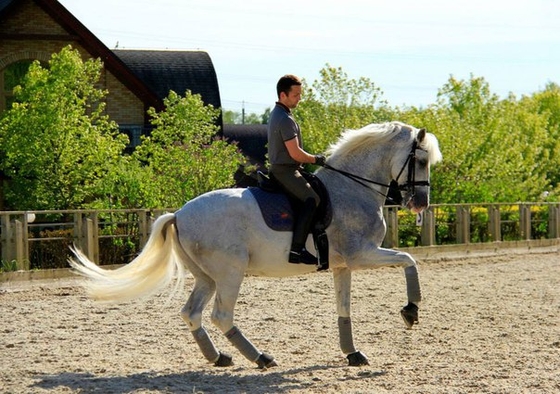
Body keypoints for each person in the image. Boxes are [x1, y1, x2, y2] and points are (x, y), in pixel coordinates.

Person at [267, 74, 326, 265]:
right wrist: (316, 159)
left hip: (287, 169)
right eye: (296, 95)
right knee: (312, 199)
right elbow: (295, 154)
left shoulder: (280, 114)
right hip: (285, 170)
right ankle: (297, 250)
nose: (299, 98)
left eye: (300, 94)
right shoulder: (284, 119)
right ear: (283, 95)